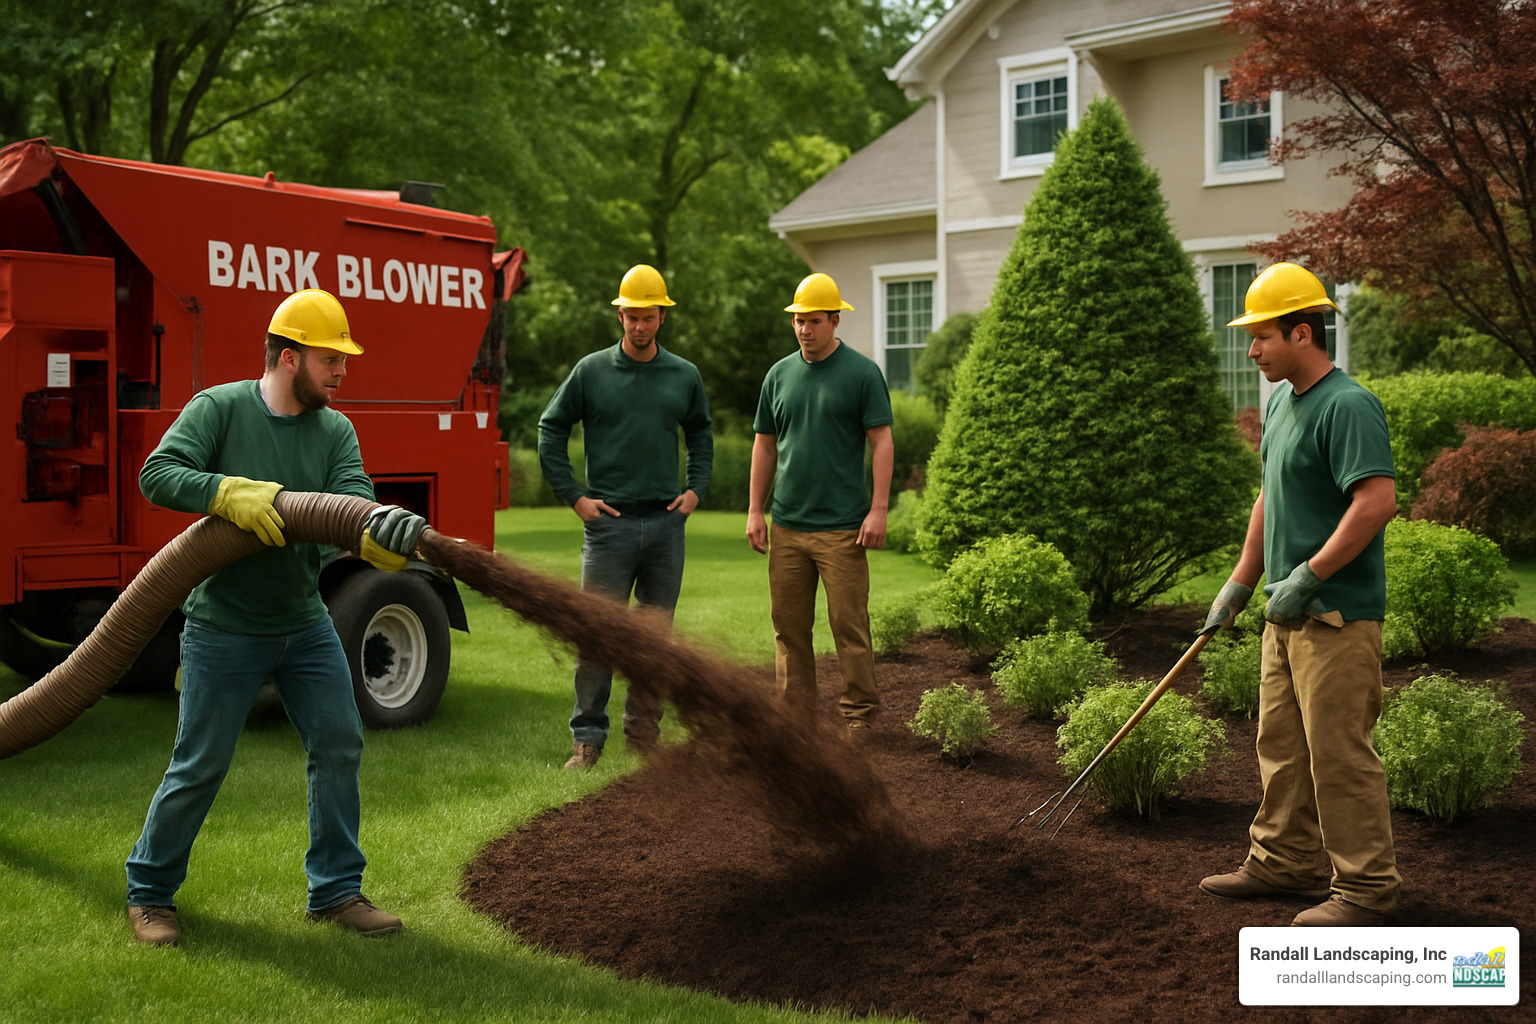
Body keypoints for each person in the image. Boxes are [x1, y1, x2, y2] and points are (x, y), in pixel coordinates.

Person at [125, 289, 426, 946]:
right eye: (330, 359)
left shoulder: (333, 429)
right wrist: (221, 491)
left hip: (304, 621)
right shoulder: (221, 410)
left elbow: (351, 503)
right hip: (224, 626)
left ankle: (336, 892)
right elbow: (157, 474)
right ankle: (149, 894)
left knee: (339, 743)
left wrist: (376, 532)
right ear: (290, 358)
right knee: (199, 762)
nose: (342, 371)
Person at [1198, 262, 1400, 927]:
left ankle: (1366, 891)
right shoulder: (1284, 401)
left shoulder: (1349, 406)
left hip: (1337, 617)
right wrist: (1241, 580)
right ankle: (1284, 860)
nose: (1251, 350)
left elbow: (1375, 503)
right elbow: (1270, 495)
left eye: (1261, 337)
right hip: (1283, 618)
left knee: (1338, 754)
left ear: (1303, 331)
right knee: (1279, 744)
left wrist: (1309, 576)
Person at [538, 264, 713, 770]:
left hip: (665, 525)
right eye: (632, 317)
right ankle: (587, 740)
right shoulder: (591, 371)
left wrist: (696, 489)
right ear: (620, 314)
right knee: (597, 638)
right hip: (607, 526)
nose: (640, 326)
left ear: (663, 316)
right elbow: (551, 430)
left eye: (649, 317)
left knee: (655, 639)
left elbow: (701, 434)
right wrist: (574, 497)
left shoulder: (684, 375)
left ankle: (645, 738)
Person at [746, 272, 894, 733]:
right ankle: (796, 718)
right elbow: (764, 446)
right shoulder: (778, 375)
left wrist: (879, 508)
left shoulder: (862, 374)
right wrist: (755, 510)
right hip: (788, 525)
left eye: (813, 321)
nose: (804, 330)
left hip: (843, 528)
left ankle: (860, 716)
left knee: (849, 628)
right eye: (798, 321)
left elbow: (882, 442)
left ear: (835, 321)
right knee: (789, 631)